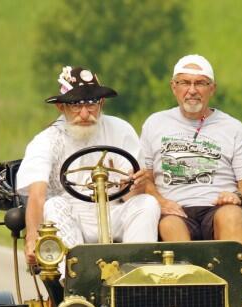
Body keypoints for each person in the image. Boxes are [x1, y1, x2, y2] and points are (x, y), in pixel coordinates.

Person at [17, 66, 160, 265]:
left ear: (101, 103)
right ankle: (75, 279)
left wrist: (137, 185)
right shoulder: (47, 140)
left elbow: (129, 194)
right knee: (53, 205)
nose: (85, 113)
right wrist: (32, 238)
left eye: (91, 103)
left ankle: (137, 275)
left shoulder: (120, 130)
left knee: (147, 203)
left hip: (113, 211)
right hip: (72, 215)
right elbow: (37, 194)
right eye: (76, 105)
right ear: (62, 107)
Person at [138, 54, 242, 245]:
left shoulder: (233, 128)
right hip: (174, 209)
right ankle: (184, 274)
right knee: (170, 225)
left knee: (230, 214)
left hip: (218, 206)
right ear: (174, 87)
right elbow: (143, 178)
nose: (192, 90)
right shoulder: (155, 124)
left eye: (201, 83)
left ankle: (235, 273)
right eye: (185, 83)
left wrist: (236, 196)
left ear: (212, 89)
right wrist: (161, 203)